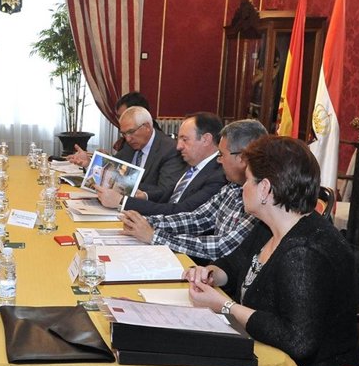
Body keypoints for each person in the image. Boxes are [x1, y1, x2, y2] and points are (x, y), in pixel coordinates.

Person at [184, 136, 359, 366]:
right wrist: (210, 273)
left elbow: (297, 340)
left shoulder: (304, 252)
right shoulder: (270, 226)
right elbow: (235, 263)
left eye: (248, 180)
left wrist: (226, 306)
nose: (243, 187)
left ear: (265, 188)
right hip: (267, 363)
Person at [119, 119, 267, 262]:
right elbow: (197, 219)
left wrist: (154, 236)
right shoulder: (232, 187)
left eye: (221, 155)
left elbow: (221, 247)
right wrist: (145, 221)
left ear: (241, 158)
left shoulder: (260, 198)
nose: (218, 160)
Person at [96, 112, 226, 215]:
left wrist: (122, 201)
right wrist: (144, 196)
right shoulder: (193, 165)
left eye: (185, 139)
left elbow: (181, 211)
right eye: (178, 139)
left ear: (206, 139)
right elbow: (170, 192)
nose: (178, 146)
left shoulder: (219, 175)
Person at [108, 106, 186, 202]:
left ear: (147, 127)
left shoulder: (170, 150)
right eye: (124, 134)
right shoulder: (130, 144)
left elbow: (165, 190)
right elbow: (115, 169)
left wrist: (130, 185)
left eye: (131, 132)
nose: (128, 138)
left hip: (148, 205)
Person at [66, 91, 153, 166]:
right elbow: (118, 169)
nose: (128, 138)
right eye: (119, 117)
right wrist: (90, 163)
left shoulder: (160, 149)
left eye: (125, 115)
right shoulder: (130, 142)